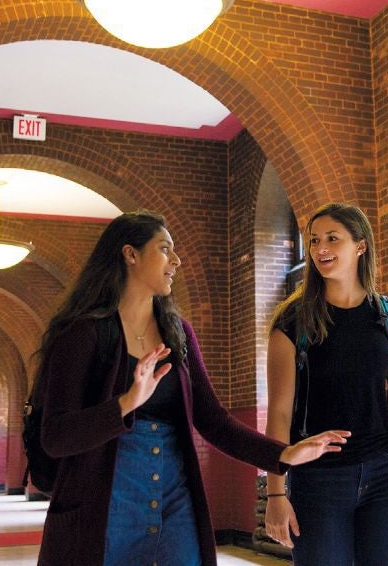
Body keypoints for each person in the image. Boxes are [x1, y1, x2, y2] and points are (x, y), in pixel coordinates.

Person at [36, 210, 350, 566]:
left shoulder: (178, 333)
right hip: (106, 503)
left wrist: (282, 455)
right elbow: (55, 436)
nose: (176, 260)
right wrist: (125, 404)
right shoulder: (82, 334)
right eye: (165, 249)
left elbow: (213, 420)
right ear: (130, 254)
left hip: (175, 501)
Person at [264, 202, 388, 566]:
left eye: (332, 239)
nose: (320, 249)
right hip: (317, 480)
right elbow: (279, 413)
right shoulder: (292, 321)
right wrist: (276, 494)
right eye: (314, 241)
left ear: (361, 245)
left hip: (386, 476)